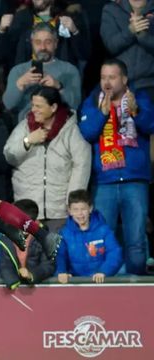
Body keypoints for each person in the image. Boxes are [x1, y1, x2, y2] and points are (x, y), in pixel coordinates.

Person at [79, 58, 154, 275]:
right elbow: (87, 132)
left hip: (134, 181)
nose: (107, 82)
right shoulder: (93, 101)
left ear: (124, 78)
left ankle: (137, 290)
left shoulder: (139, 97)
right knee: (102, 239)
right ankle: (102, 291)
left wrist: (136, 112)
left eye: (112, 77)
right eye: (103, 77)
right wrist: (102, 114)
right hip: (105, 182)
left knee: (136, 241)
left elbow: (150, 125)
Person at [4, 86, 90, 231]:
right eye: (32, 105)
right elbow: (9, 156)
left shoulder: (70, 130)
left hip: (59, 211)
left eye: (39, 106)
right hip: (29, 210)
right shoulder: (24, 127)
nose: (34, 110)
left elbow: (81, 165)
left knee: (58, 252)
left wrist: (72, 203)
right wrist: (27, 141)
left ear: (53, 107)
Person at [3, 22, 81, 122]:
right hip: (26, 128)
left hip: (60, 127)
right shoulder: (18, 70)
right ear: (32, 43)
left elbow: (75, 104)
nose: (43, 47)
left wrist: (58, 86)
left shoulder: (69, 70)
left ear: (56, 43)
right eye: (38, 42)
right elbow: (8, 105)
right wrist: (20, 83)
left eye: (48, 42)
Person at [57, 189, 123, 284]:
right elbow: (59, 255)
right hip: (75, 283)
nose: (80, 213)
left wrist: (104, 271)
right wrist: (61, 271)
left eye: (83, 209)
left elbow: (115, 252)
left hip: (100, 281)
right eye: (75, 209)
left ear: (90, 208)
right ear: (69, 211)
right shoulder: (64, 233)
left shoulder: (104, 230)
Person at [100, 0, 154, 98]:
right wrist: (130, 31)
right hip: (122, 85)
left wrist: (143, 37)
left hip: (151, 82)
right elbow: (111, 46)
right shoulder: (111, 9)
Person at [0, 199, 55, 289]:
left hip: (39, 288)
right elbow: (5, 265)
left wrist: (31, 275)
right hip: (13, 288)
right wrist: (12, 281)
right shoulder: (5, 239)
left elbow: (48, 266)